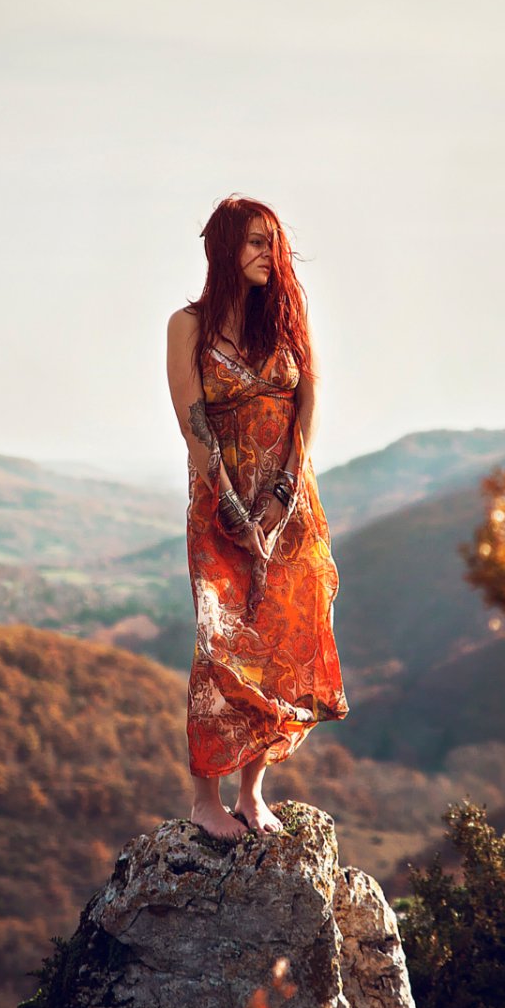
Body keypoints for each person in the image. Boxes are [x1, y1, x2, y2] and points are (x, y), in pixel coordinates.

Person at [164, 195, 349, 840]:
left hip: (291, 504)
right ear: (223, 250)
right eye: (254, 243)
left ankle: (253, 791)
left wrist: (281, 499)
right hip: (220, 503)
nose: (270, 254)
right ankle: (204, 798)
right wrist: (238, 512)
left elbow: (310, 405)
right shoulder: (187, 326)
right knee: (221, 644)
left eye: (274, 242)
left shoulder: (288, 321)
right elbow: (193, 426)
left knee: (278, 643)